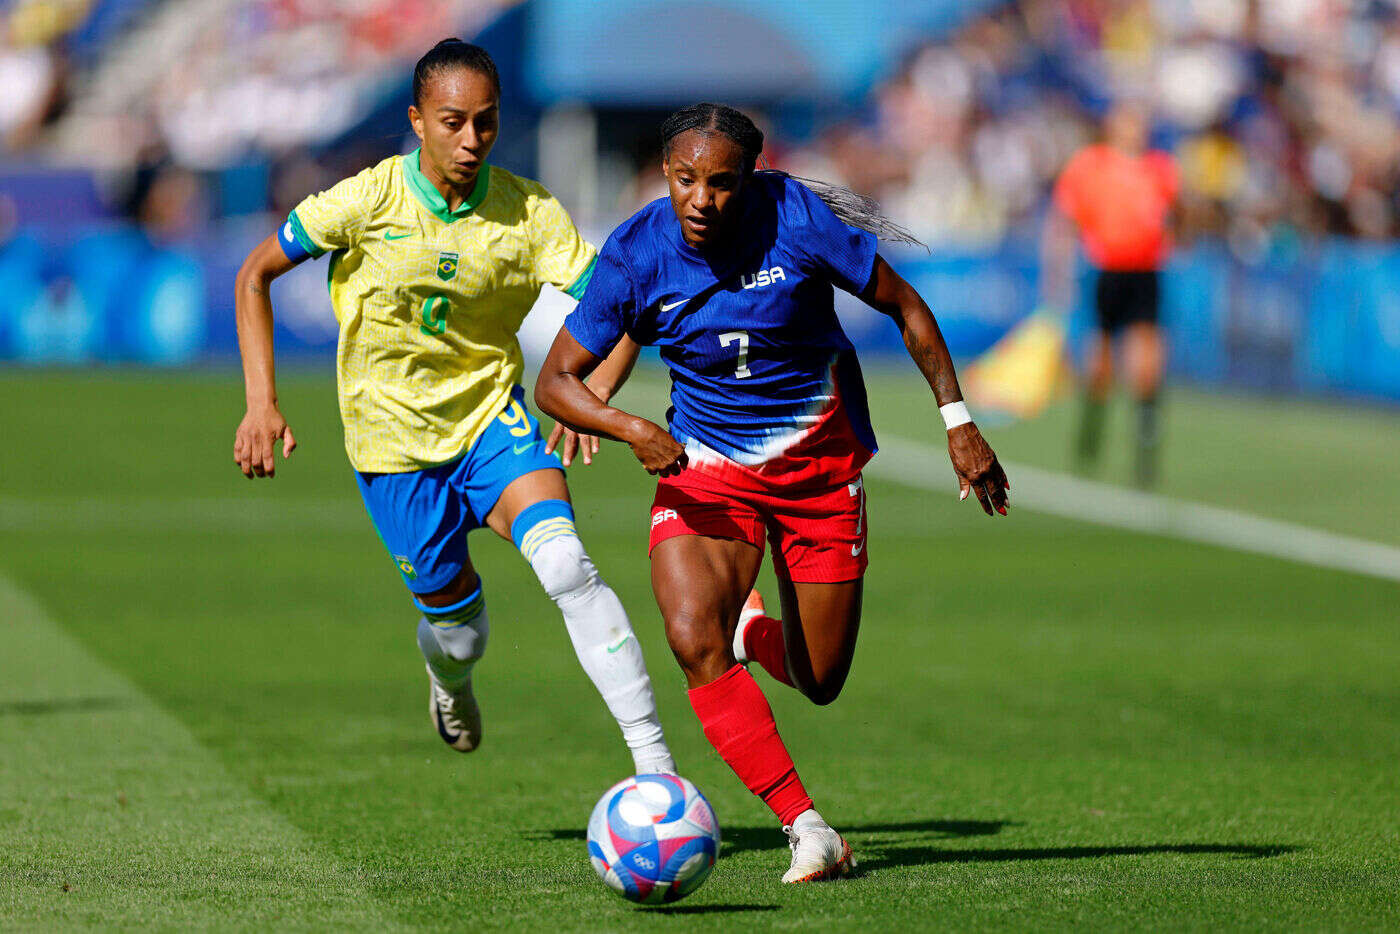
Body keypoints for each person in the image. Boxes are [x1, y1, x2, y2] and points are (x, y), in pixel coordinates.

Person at [534, 103, 1009, 883]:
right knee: (691, 636)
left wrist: (958, 423)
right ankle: (807, 826)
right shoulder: (637, 251)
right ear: (665, 173)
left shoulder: (798, 219)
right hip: (708, 472)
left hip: (819, 476)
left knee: (819, 680)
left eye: (721, 183)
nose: (701, 199)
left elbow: (905, 306)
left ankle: (759, 637)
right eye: (686, 179)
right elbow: (558, 381)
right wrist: (626, 427)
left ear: (749, 178)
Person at [231, 39, 675, 777]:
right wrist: (260, 404)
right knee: (458, 630)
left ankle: (656, 771)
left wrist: (592, 398)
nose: (472, 140)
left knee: (566, 562)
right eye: (453, 122)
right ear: (416, 120)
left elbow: (622, 309)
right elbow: (255, 274)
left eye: (487, 122)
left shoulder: (529, 213)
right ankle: (450, 679)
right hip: (391, 449)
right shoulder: (366, 200)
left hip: (489, 425)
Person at [1046, 102, 1178, 487]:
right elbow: (1065, 221)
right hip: (1107, 271)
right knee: (1100, 361)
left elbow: (1178, 216)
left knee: (1147, 363)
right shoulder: (1091, 166)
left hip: (1146, 271)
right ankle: (1091, 435)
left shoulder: (1161, 169)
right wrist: (1060, 273)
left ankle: (1145, 446)